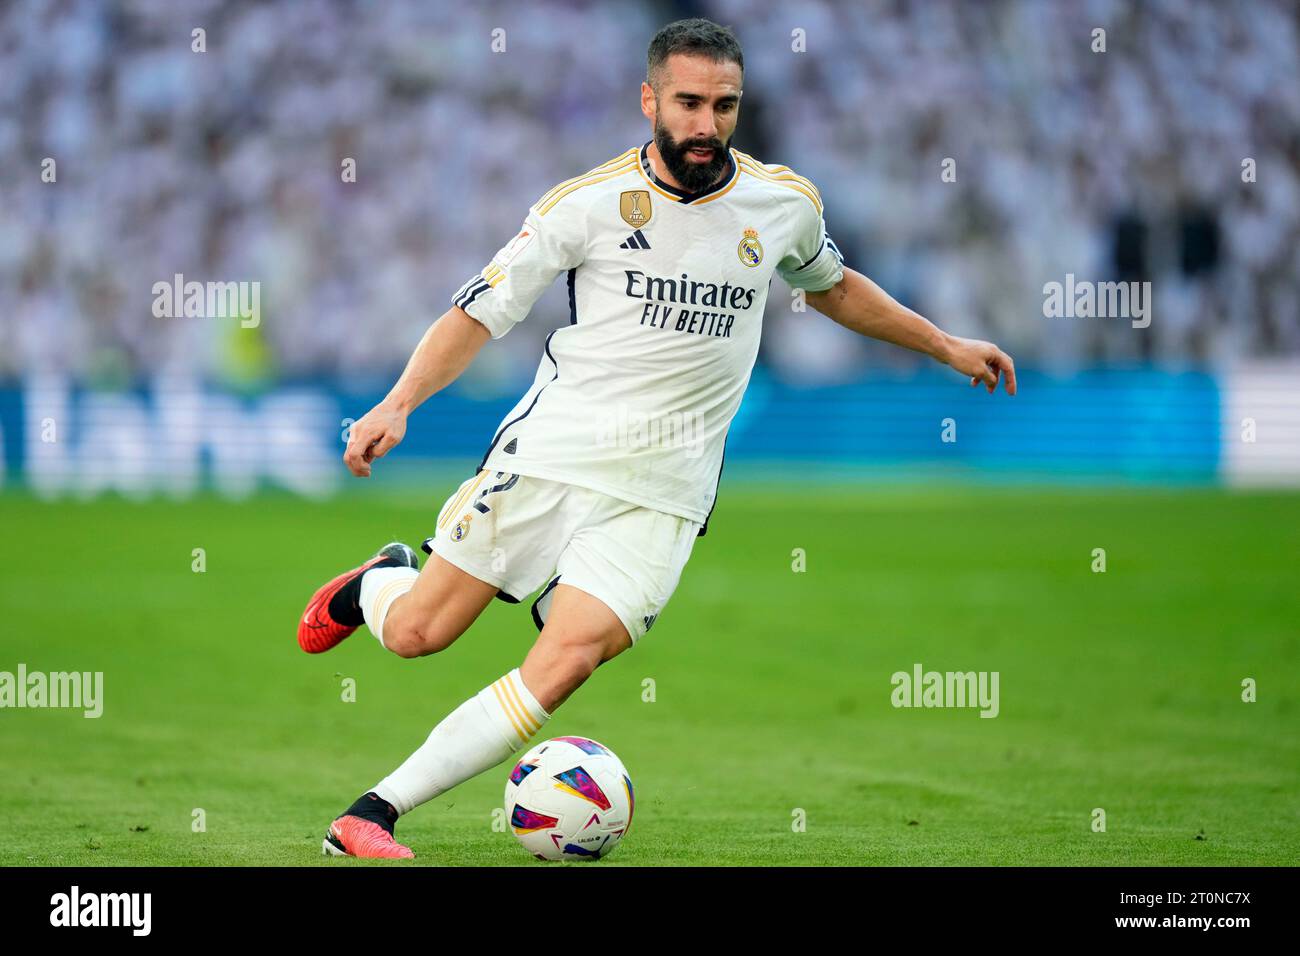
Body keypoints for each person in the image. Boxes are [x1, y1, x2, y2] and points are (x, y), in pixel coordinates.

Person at [298, 17, 1016, 858]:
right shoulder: (587, 203)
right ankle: (377, 585)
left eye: (724, 105)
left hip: (666, 493)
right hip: (554, 454)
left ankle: (370, 815)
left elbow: (835, 286)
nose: (706, 124)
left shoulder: (781, 206)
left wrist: (943, 344)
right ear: (650, 101)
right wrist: (398, 402)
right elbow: (480, 309)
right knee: (419, 633)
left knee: (565, 662)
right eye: (688, 103)